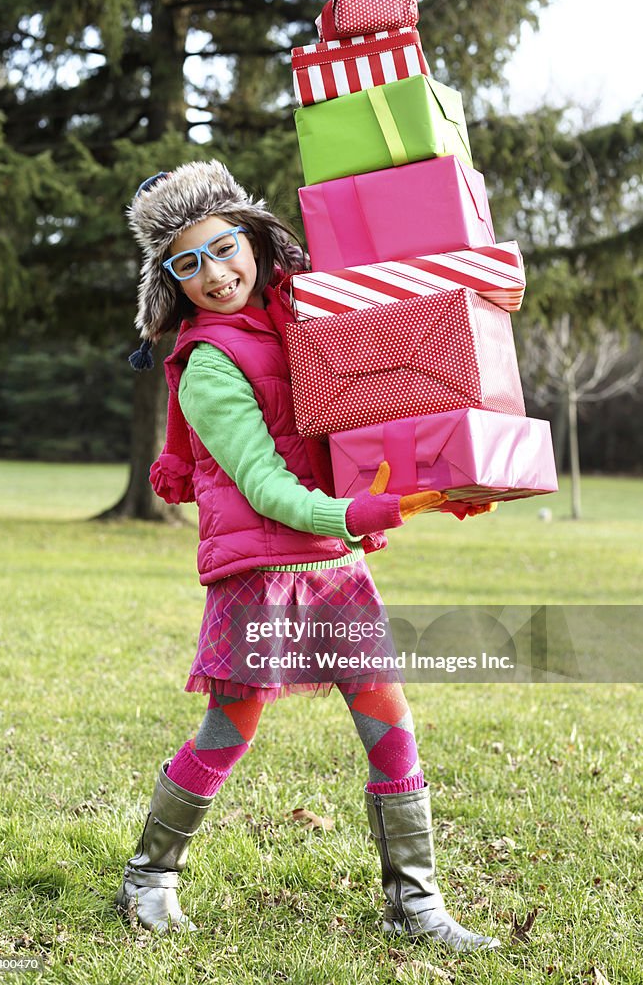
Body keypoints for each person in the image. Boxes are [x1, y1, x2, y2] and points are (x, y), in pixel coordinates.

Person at [116, 160, 500, 951]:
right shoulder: (209, 364)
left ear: (250, 235)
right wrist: (363, 510)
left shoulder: (309, 317)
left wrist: (443, 472)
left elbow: (376, 405)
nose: (214, 275)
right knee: (230, 727)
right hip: (261, 571)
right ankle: (150, 877)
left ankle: (415, 904)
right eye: (186, 265)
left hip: (333, 560)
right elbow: (264, 486)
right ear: (170, 281)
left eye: (223, 249)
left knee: (387, 716)